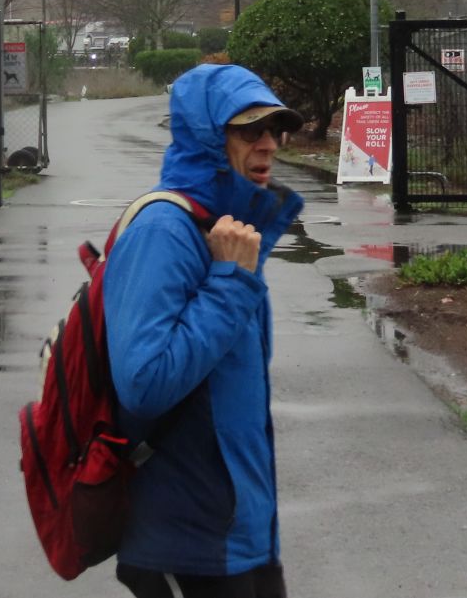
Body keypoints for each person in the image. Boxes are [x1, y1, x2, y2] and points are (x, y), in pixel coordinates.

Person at [103, 62, 306, 598]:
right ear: (206, 137)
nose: (268, 144)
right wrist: (232, 283)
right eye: (248, 129)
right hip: (188, 544)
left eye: (274, 130)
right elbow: (143, 383)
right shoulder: (164, 231)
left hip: (240, 537)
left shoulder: (227, 230)